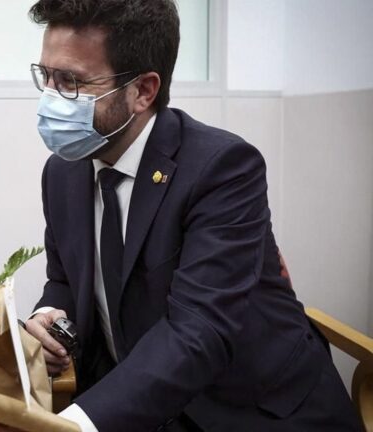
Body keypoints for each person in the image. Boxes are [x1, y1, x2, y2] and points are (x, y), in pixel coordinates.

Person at [21, 0, 362, 430]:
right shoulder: (63, 171)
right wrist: (49, 314)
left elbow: (197, 332)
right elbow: (66, 278)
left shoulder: (222, 169)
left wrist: (74, 425)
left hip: (250, 412)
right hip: (142, 402)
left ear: (143, 90)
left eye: (71, 81)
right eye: (46, 76)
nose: (52, 98)